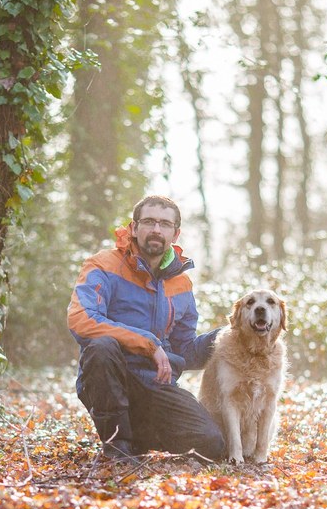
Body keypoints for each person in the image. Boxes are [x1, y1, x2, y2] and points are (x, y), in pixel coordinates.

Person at [67, 195, 225, 462]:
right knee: (101, 347)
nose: (156, 229)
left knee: (211, 443)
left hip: (156, 386)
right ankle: (118, 446)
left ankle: (138, 437)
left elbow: (184, 350)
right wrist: (147, 344)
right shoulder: (103, 265)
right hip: (110, 379)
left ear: (175, 234)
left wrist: (228, 336)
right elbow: (81, 319)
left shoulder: (182, 283)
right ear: (134, 227)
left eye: (165, 224)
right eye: (149, 221)